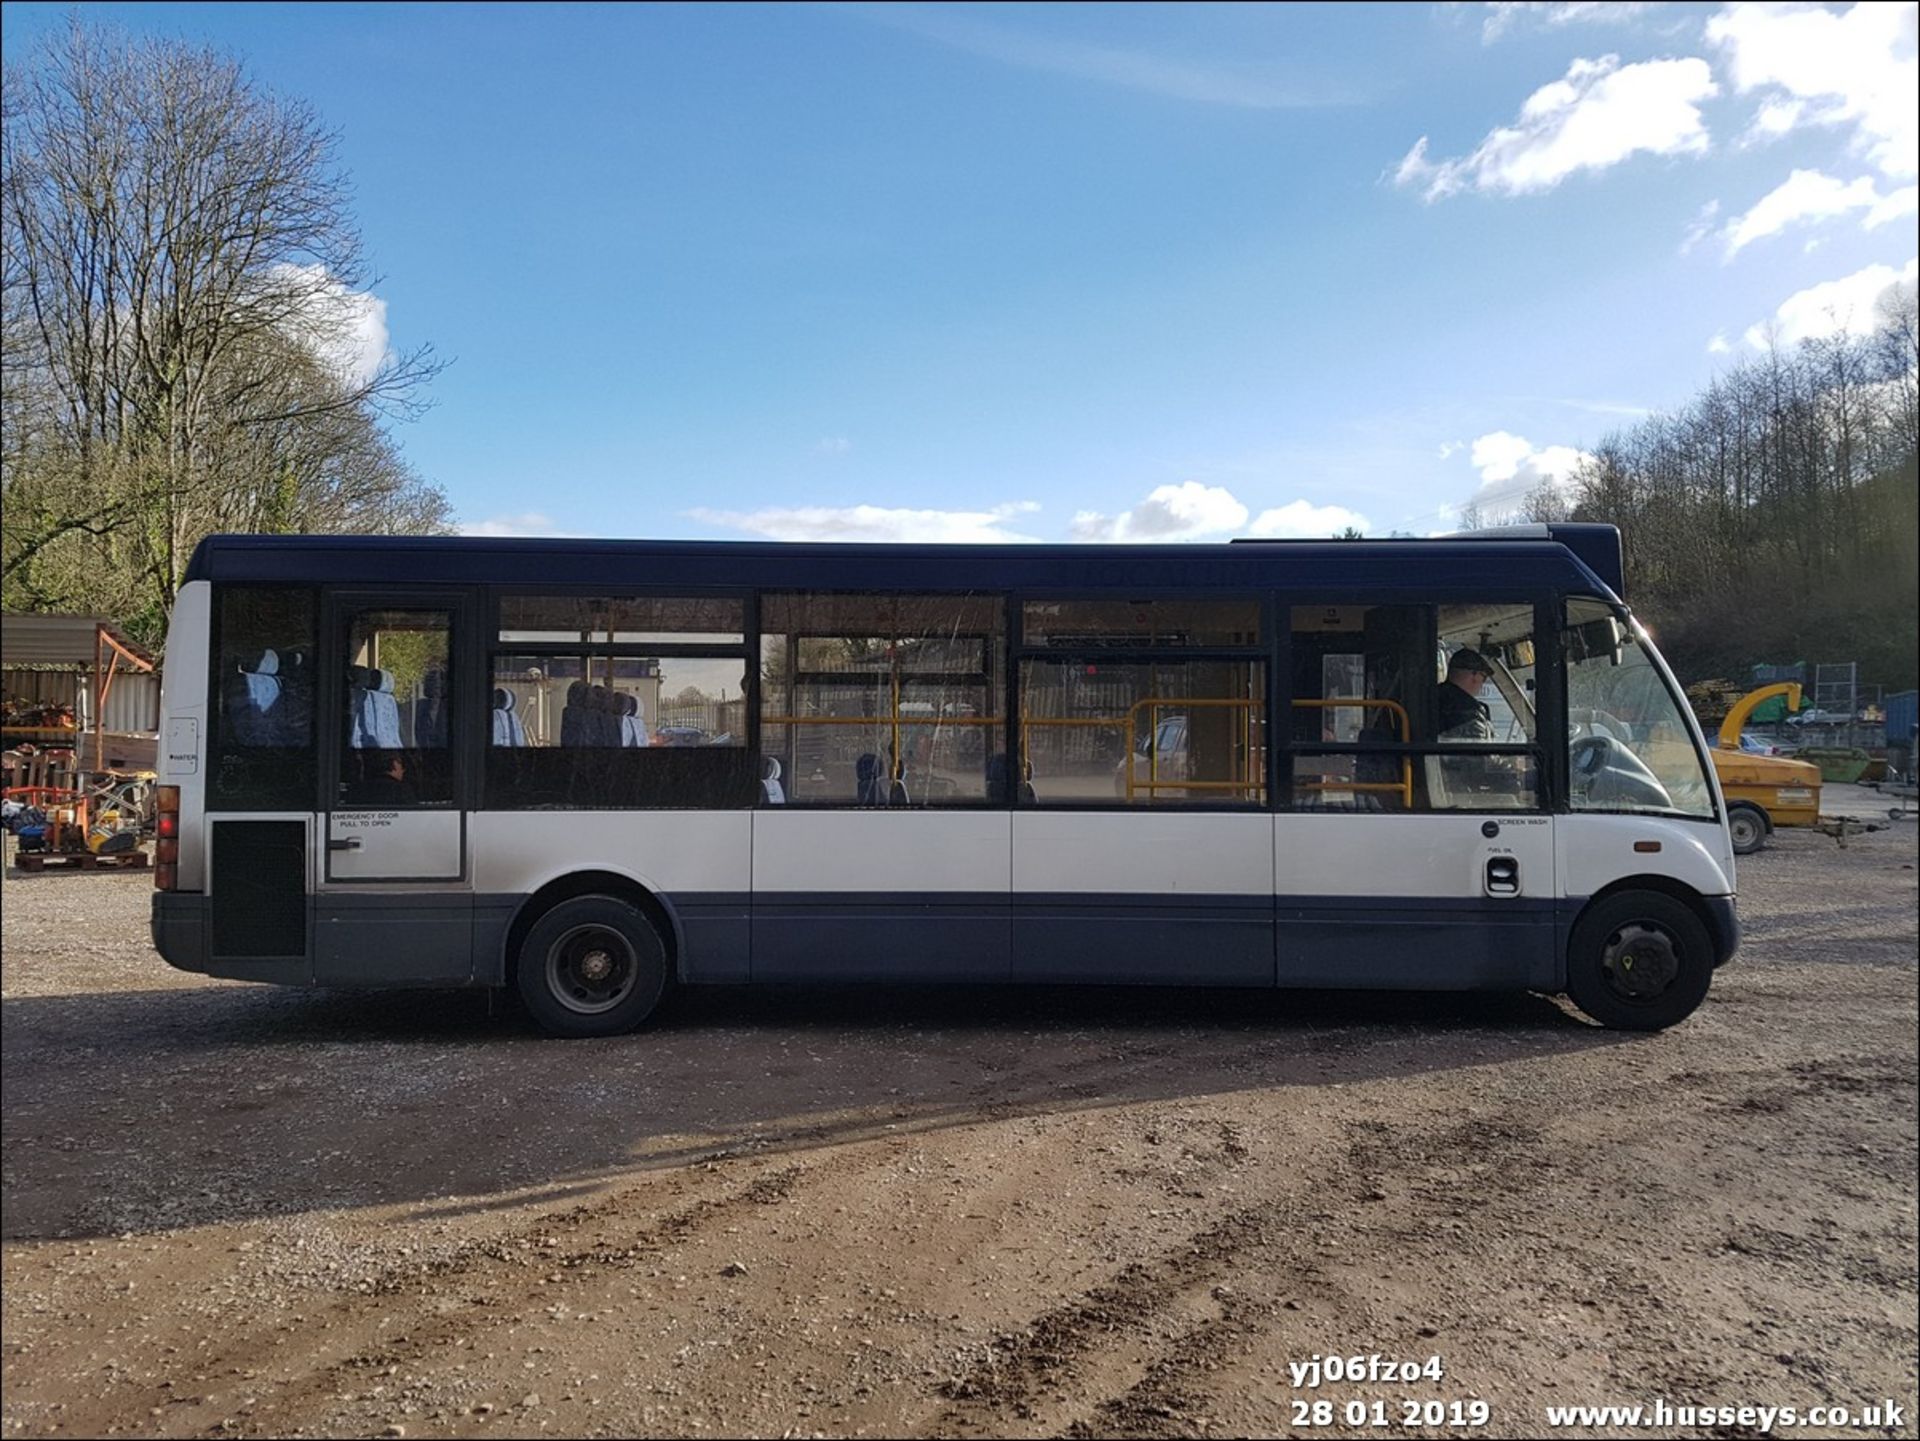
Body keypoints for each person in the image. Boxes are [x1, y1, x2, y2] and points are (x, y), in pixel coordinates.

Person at [1435, 648, 1496, 742]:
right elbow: (1479, 754)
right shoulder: (1470, 712)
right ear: (1474, 676)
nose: (1483, 683)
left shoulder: (1431, 699)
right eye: (1484, 677)